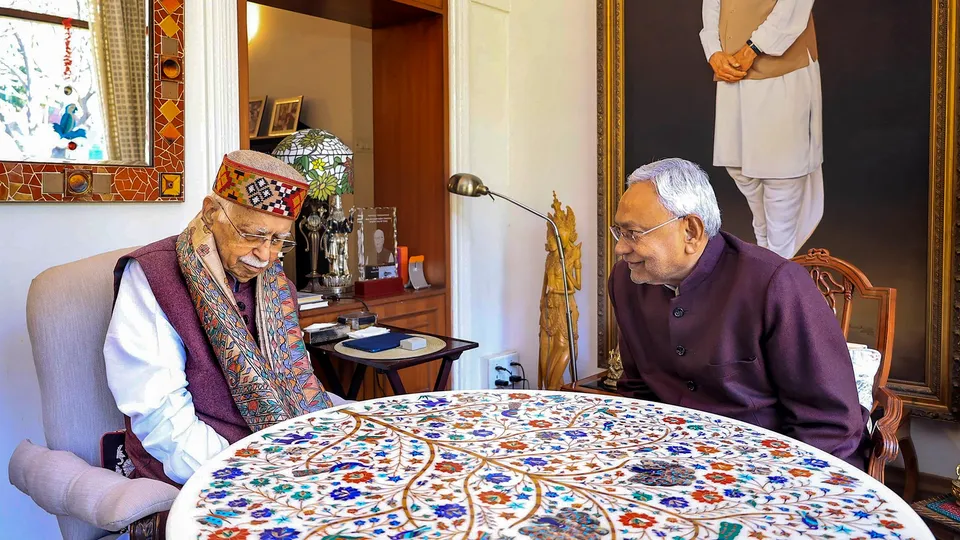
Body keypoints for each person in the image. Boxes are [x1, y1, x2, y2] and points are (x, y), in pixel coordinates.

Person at [104, 150, 347, 488]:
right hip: (199, 468)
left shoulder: (280, 287)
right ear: (210, 213)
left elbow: (298, 387)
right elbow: (160, 418)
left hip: (279, 456)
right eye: (252, 234)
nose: (265, 255)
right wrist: (249, 472)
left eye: (278, 240)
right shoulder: (153, 275)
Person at [608, 158, 868, 468]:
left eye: (633, 233)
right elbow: (637, 389)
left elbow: (829, 422)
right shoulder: (627, 281)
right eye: (619, 232)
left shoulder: (775, 284)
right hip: (671, 461)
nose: (620, 249)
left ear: (690, 230)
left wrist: (783, 486)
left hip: (767, 464)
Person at [700, 0, 823, 258]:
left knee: (781, 172)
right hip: (732, 70)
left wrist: (753, 48)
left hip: (783, 72)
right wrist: (713, 50)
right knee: (739, 166)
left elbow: (793, 7)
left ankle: (777, 262)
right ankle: (769, 254)